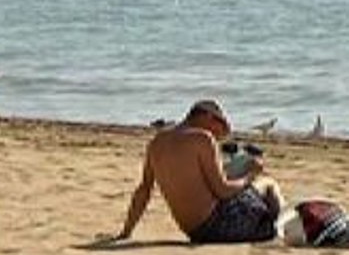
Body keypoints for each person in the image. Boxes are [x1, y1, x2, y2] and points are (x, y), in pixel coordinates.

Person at [111, 99, 285, 244]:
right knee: (267, 184)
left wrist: (126, 232)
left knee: (245, 183)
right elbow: (223, 191)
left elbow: (144, 190)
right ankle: (281, 230)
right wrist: (251, 175)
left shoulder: (157, 141)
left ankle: (278, 225)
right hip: (219, 227)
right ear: (208, 116)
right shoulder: (202, 138)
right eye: (221, 126)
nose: (219, 135)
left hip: (194, 232)